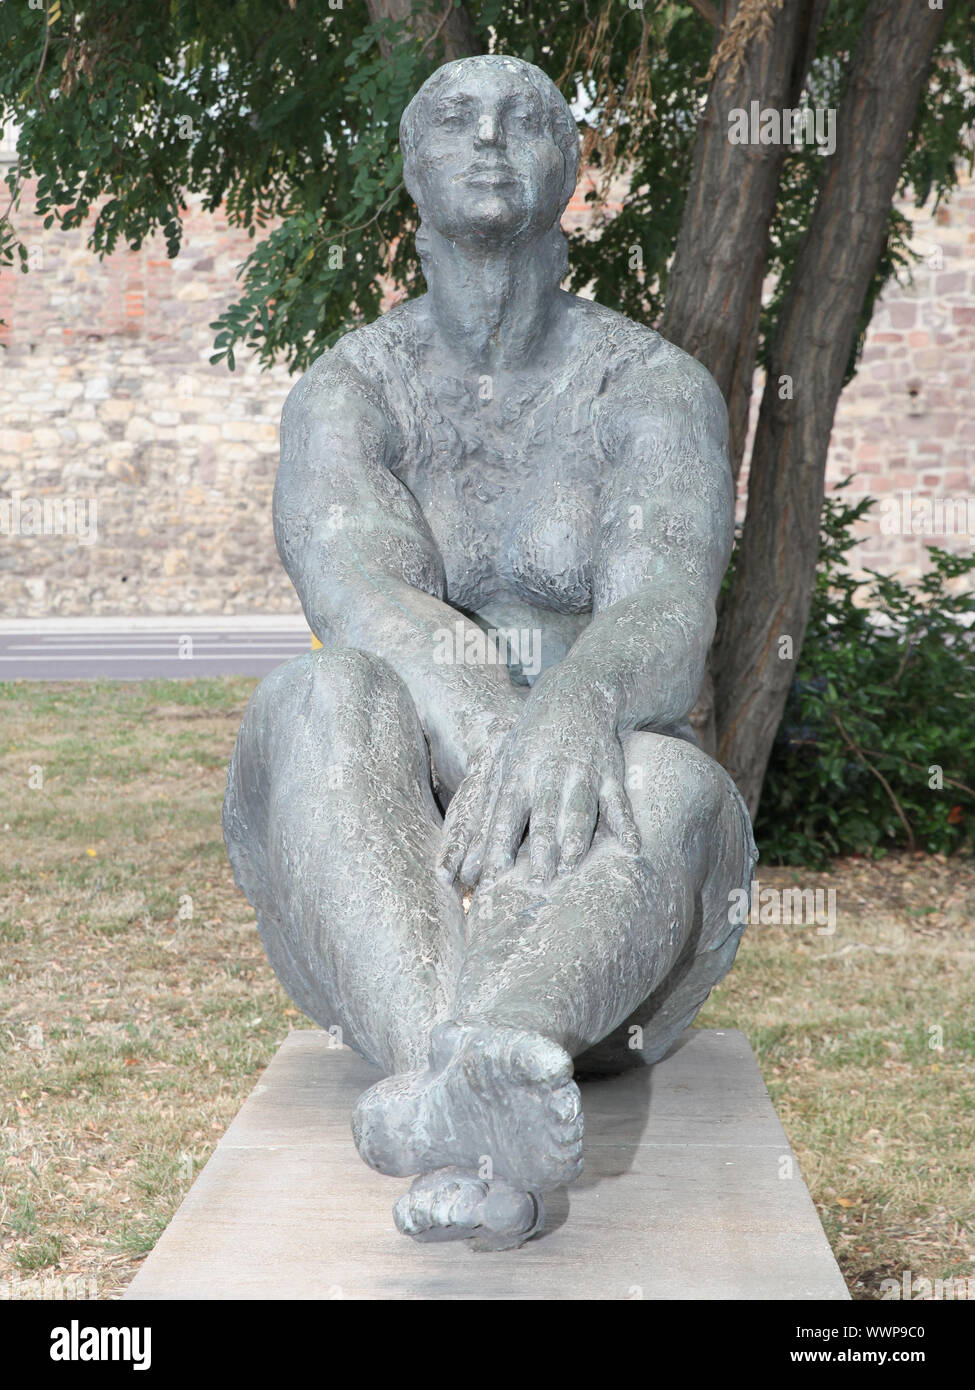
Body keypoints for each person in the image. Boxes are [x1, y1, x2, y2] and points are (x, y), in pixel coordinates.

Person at [224, 54, 757, 1249]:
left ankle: (473, 1072)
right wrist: (513, 739)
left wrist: (578, 710)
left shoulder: (650, 387)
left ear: (568, 171)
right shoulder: (350, 393)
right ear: (407, 171)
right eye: (453, 119)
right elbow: (358, 595)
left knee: (669, 777)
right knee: (317, 695)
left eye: (524, 119)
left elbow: (668, 618)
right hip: (393, 871)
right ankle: (475, 1087)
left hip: (597, 869)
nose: (488, 137)